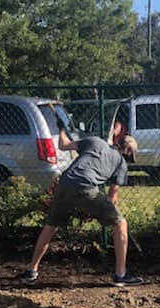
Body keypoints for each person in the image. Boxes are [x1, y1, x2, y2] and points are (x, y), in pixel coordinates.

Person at [19, 123, 143, 286]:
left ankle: (32, 270)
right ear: (127, 151)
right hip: (85, 187)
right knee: (121, 224)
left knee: (51, 226)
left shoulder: (95, 141)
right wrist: (107, 213)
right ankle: (121, 274)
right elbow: (113, 197)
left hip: (64, 184)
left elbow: (63, 145)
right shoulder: (121, 163)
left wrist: (62, 129)